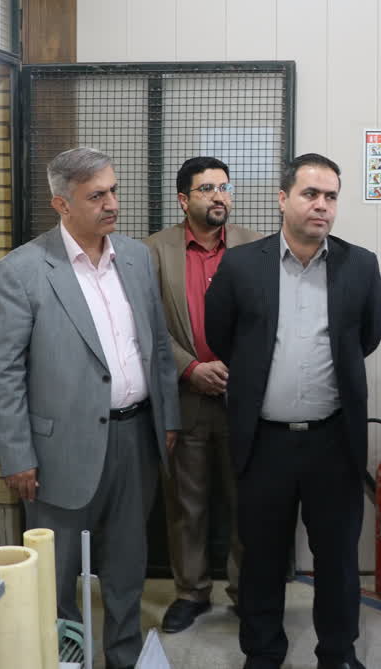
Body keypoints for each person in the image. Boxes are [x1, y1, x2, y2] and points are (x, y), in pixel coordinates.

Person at [0, 147, 180, 669]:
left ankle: (123, 654)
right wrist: (17, 455)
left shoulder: (135, 258)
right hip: (57, 450)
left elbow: (158, 347)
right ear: (62, 204)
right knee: (56, 570)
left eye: (114, 190)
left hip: (136, 436)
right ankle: (63, 657)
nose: (112, 204)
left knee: (127, 562)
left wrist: (168, 420)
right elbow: (3, 374)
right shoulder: (22, 271)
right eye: (97, 196)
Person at [205, 153, 381, 669]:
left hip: (334, 439)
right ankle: (264, 651)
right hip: (265, 441)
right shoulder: (242, 264)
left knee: (338, 560)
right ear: (282, 199)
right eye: (310, 194)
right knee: (262, 556)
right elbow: (221, 335)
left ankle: (338, 652)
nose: (321, 205)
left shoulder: (360, 265)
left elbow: (366, 337)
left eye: (331, 196)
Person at [146, 156, 261, 632]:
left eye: (224, 187)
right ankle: (191, 592)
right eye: (207, 188)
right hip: (185, 396)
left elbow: (268, 318)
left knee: (247, 501)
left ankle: (247, 593)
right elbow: (147, 325)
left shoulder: (256, 246)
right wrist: (190, 368)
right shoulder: (154, 251)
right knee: (186, 505)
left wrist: (240, 366)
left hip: (244, 397)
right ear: (183, 199)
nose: (219, 196)